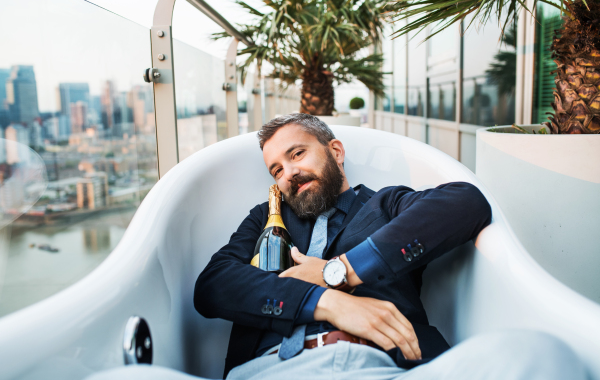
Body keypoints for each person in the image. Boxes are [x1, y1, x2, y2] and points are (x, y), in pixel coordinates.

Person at [87, 114, 588, 380]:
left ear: (335, 151)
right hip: (274, 373)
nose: (288, 173)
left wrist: (340, 271)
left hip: (389, 368)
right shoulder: (265, 221)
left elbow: (465, 203)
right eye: (276, 170)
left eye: (297, 154)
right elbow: (213, 286)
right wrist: (326, 302)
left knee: (543, 357)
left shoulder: (385, 205)